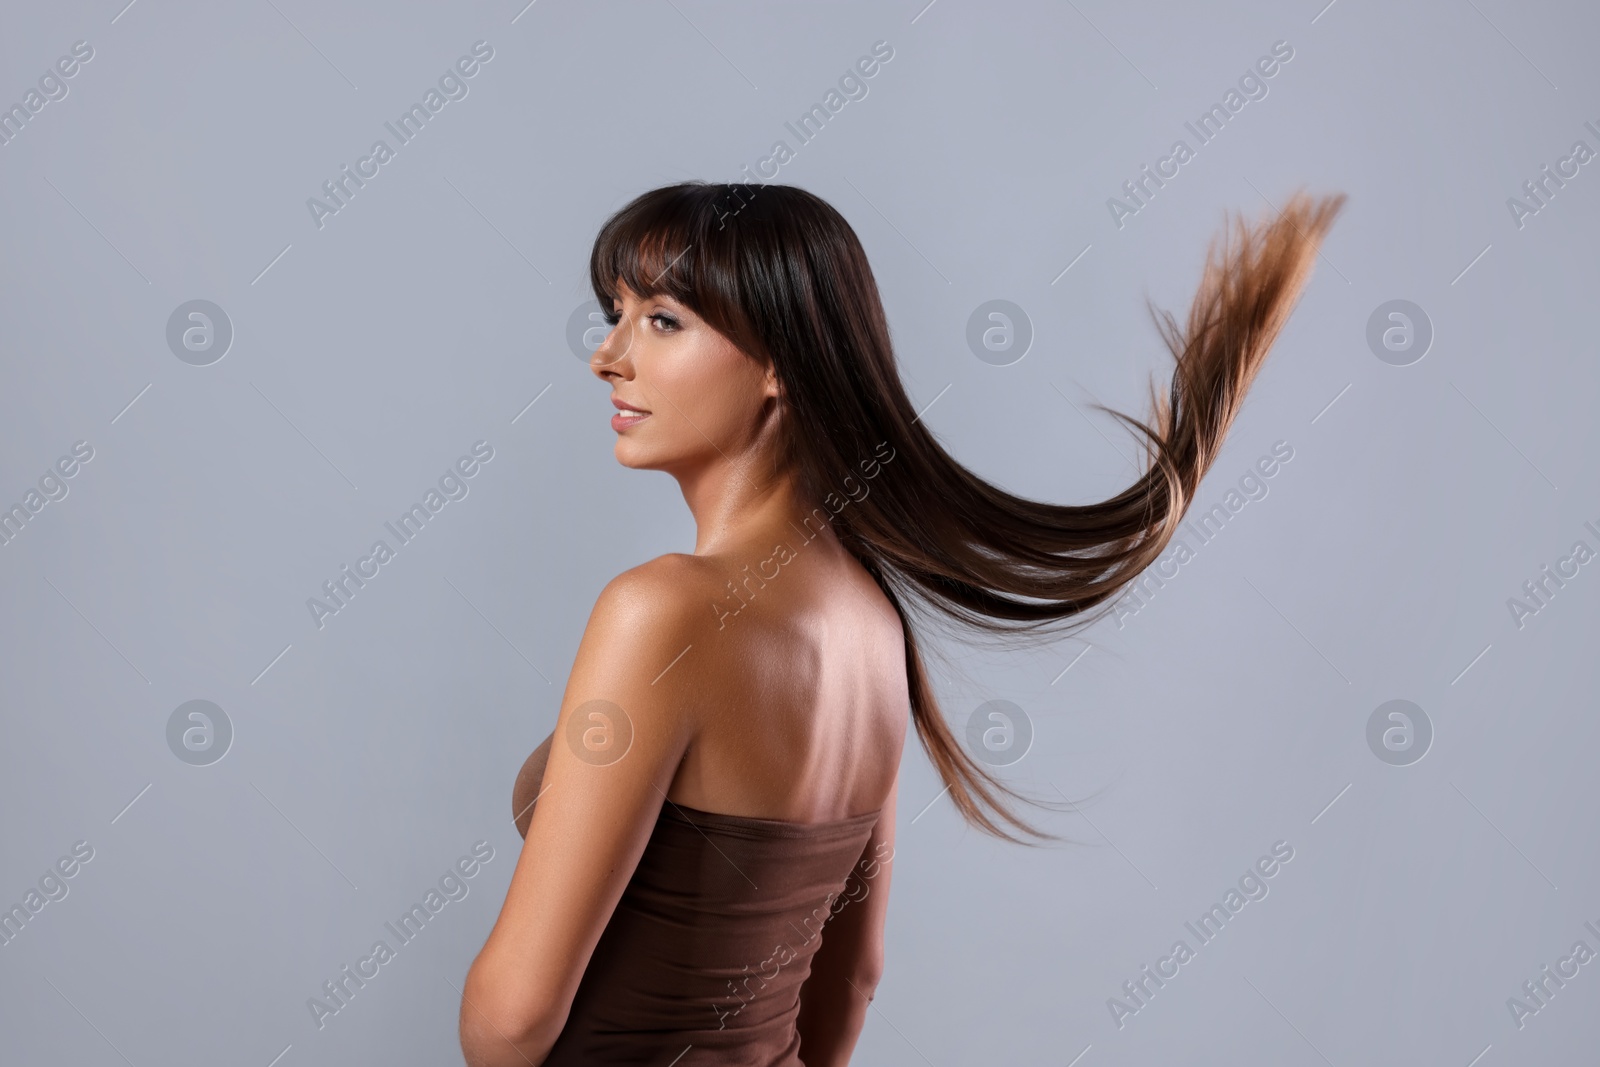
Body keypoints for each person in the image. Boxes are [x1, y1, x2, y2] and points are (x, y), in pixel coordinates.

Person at [458, 181, 1345, 1066]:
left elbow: (511, 1016)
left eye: (661, 320)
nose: (606, 356)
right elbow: (851, 983)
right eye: (615, 313)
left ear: (778, 362)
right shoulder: (875, 628)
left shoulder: (660, 610)